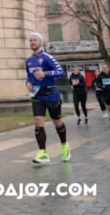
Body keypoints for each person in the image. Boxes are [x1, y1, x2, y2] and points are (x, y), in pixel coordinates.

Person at [26, 32, 70, 164]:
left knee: (57, 122)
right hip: (37, 95)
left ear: (40, 42)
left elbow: (60, 72)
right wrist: (27, 83)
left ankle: (64, 146)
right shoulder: (28, 61)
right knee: (38, 123)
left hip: (51, 94)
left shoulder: (48, 58)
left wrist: (45, 73)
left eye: (35, 40)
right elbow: (29, 76)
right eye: (31, 40)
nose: (32, 42)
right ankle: (43, 153)